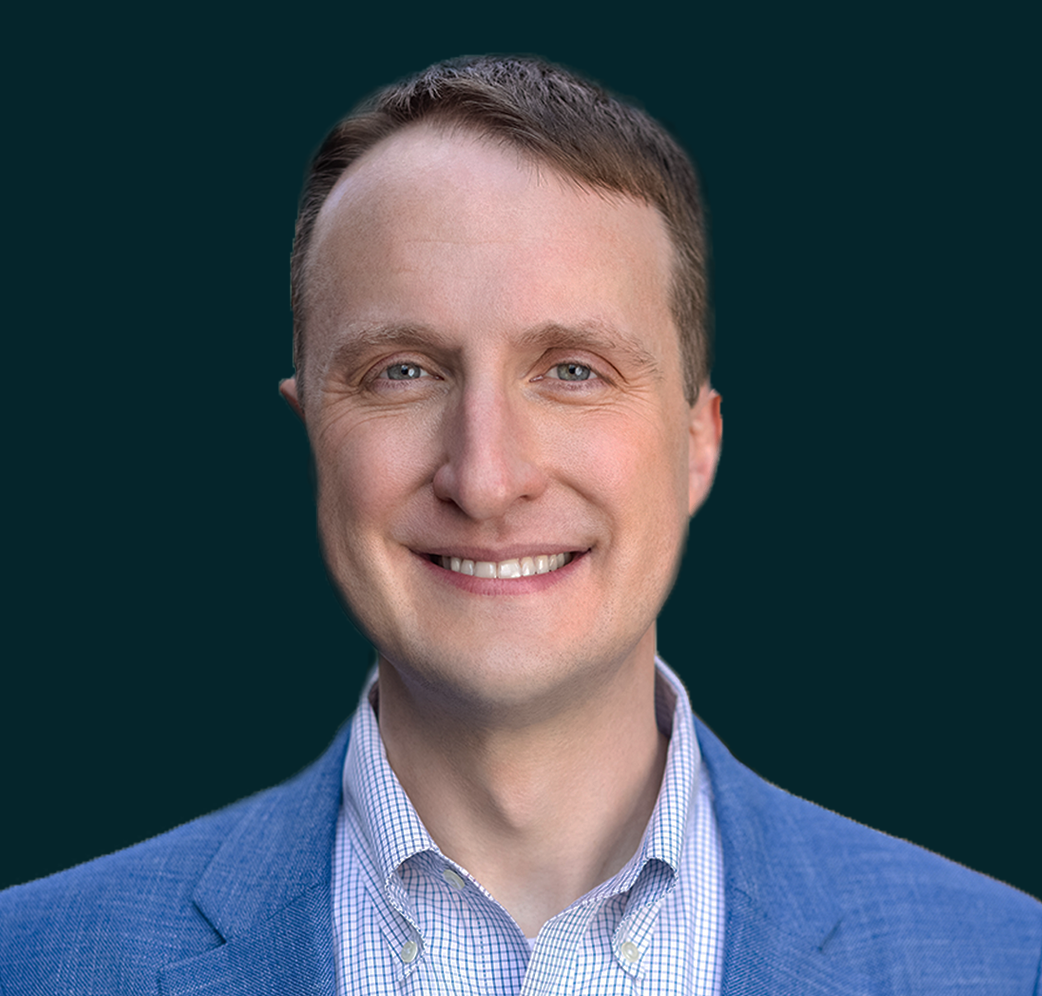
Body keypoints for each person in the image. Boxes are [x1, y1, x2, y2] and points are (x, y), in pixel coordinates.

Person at [1, 55, 1038, 996]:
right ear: (311, 429)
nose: (487, 479)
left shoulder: (1004, 966)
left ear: (698, 442)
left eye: (573, 370)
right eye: (403, 372)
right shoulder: (34, 964)